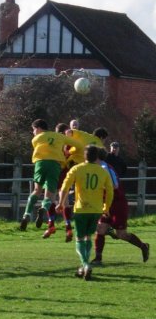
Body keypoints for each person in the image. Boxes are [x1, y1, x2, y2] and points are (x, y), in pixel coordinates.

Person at [56, 145, 113, 281]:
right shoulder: (103, 171)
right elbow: (110, 191)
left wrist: (60, 202)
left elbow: (65, 187)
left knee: (80, 238)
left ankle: (86, 264)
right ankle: (83, 266)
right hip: (96, 209)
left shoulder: (77, 169)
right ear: (97, 157)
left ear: (84, 156)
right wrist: (107, 208)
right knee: (88, 237)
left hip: (81, 209)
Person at [19, 119, 82, 232]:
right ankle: (43, 208)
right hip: (55, 164)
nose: (33, 132)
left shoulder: (36, 139)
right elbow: (78, 145)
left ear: (38, 128)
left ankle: (26, 214)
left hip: (41, 163)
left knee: (36, 190)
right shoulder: (60, 137)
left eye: (33, 130)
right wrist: (70, 153)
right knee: (50, 194)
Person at [92, 148, 149, 265]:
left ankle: (143, 246)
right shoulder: (96, 168)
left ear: (96, 157)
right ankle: (98, 258)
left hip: (118, 203)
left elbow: (114, 185)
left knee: (121, 234)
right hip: (106, 204)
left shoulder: (105, 168)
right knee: (100, 229)